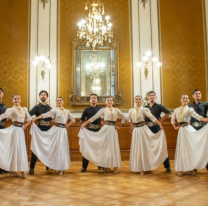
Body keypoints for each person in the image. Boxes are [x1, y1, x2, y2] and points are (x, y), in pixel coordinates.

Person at [79, 97, 126, 174]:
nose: (109, 101)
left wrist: (120, 126)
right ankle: (107, 166)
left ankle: (115, 167)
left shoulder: (117, 110)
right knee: (105, 147)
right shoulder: (103, 110)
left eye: (111, 100)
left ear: (113, 102)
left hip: (113, 129)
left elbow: (124, 118)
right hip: (105, 129)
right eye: (108, 100)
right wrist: (84, 123)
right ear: (105, 102)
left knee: (113, 146)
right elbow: (94, 117)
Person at [30, 97, 75, 175]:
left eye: (60, 100)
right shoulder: (55, 110)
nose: (59, 102)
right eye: (57, 101)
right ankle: (56, 166)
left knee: (62, 148)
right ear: (56, 103)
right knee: (57, 148)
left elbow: (73, 120)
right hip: (56, 130)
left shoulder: (67, 111)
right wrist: (36, 118)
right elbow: (45, 115)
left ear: (63, 101)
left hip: (63, 131)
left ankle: (61, 167)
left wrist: (67, 125)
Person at [128, 95, 168, 174]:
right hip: (136, 131)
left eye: (140, 99)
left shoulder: (144, 109)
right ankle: (138, 167)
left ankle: (144, 166)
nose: (138, 100)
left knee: (143, 148)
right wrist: (131, 125)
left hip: (143, 129)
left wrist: (159, 124)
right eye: (137, 99)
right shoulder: (131, 110)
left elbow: (152, 117)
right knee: (137, 147)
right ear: (134, 101)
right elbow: (128, 119)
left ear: (142, 101)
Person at [172, 94, 208, 177]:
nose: (185, 99)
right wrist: (175, 126)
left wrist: (205, 119)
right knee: (182, 149)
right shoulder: (176, 110)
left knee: (188, 149)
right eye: (183, 98)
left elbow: (196, 116)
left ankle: (189, 169)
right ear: (181, 100)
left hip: (188, 129)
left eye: (187, 98)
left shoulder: (189, 109)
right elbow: (172, 119)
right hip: (181, 131)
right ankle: (181, 169)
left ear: (188, 101)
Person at [0, 94, 31, 178]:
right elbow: (3, 116)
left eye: (18, 98)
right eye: (15, 99)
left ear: (20, 100)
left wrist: (25, 126)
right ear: (12, 101)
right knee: (14, 149)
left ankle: (22, 170)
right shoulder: (11, 110)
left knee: (21, 149)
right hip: (14, 130)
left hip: (20, 131)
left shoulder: (24, 109)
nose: (16, 100)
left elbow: (29, 119)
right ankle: (13, 170)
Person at [145, 91, 171, 172]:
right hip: (147, 129)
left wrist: (161, 120)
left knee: (161, 147)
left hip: (156, 128)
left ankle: (167, 166)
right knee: (148, 148)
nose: (152, 96)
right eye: (150, 95)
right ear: (148, 97)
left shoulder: (159, 106)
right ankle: (148, 166)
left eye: (153, 95)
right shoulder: (145, 107)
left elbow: (168, 113)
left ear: (155, 97)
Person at [29, 90, 52, 174]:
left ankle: (48, 165)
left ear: (47, 97)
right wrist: (30, 120)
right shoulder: (36, 107)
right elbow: (29, 114)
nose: (43, 96)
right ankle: (31, 168)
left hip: (48, 130)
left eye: (44, 95)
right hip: (39, 130)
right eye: (41, 95)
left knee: (48, 148)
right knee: (36, 148)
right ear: (39, 97)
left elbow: (53, 118)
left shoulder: (50, 108)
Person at [80, 94, 104, 172]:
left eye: (95, 98)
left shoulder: (101, 109)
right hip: (89, 131)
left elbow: (105, 117)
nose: (93, 99)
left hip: (98, 131)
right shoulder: (86, 109)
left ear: (97, 100)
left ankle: (100, 165)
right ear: (90, 100)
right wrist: (81, 127)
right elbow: (82, 120)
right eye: (92, 98)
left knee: (99, 148)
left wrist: (104, 123)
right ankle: (84, 166)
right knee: (86, 149)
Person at [189, 89, 208, 171]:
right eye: (196, 94)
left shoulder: (205, 104)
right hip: (193, 129)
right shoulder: (189, 105)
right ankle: (194, 166)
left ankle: (207, 165)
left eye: (199, 94)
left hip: (203, 128)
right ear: (193, 96)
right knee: (194, 147)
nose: (198, 95)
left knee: (205, 147)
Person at [0, 88, 9, 174]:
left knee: (3, 150)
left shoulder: (5, 107)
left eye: (0, 92)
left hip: (3, 130)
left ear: (2, 94)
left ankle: (3, 167)